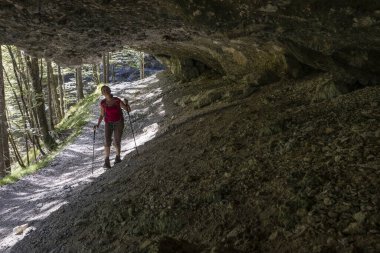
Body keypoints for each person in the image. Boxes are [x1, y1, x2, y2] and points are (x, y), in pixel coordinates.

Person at [94, 85, 131, 168]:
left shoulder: (117, 100)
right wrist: (98, 124)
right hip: (108, 123)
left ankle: (117, 157)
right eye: (103, 90)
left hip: (119, 122)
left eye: (106, 89)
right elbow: (102, 115)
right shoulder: (103, 103)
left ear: (110, 90)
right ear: (102, 93)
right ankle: (106, 161)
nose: (105, 91)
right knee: (107, 141)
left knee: (117, 141)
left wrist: (127, 103)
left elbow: (128, 110)